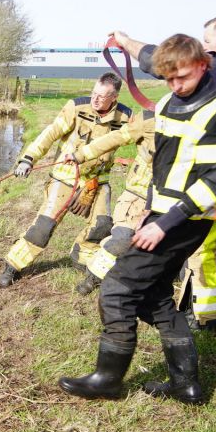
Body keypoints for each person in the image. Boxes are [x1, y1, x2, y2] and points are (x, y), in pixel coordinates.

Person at [59, 34, 216, 404]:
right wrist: (148, 211)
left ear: (204, 64)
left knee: (117, 290)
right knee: (154, 296)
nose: (175, 85)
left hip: (186, 218)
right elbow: (164, 168)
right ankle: (186, 385)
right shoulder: (171, 101)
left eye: (183, 76)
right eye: (169, 79)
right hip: (163, 213)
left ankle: (108, 379)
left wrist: (163, 223)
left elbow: (214, 183)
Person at [111, 16, 216, 332]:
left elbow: (153, 58)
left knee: (205, 247)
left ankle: (209, 318)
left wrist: (125, 42)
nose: (206, 51)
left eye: (207, 44)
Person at [0, 72, 132, 287]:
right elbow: (50, 133)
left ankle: (81, 257)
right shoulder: (76, 108)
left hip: (98, 182)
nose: (95, 99)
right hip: (65, 178)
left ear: (114, 97)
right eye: (93, 94)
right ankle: (13, 265)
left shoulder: (126, 117)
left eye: (102, 96)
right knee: (43, 226)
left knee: (102, 225)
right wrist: (28, 159)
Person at [66, 111, 155, 295]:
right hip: (137, 197)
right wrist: (81, 155)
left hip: (172, 201)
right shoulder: (149, 120)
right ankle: (93, 277)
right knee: (122, 239)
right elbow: (114, 138)